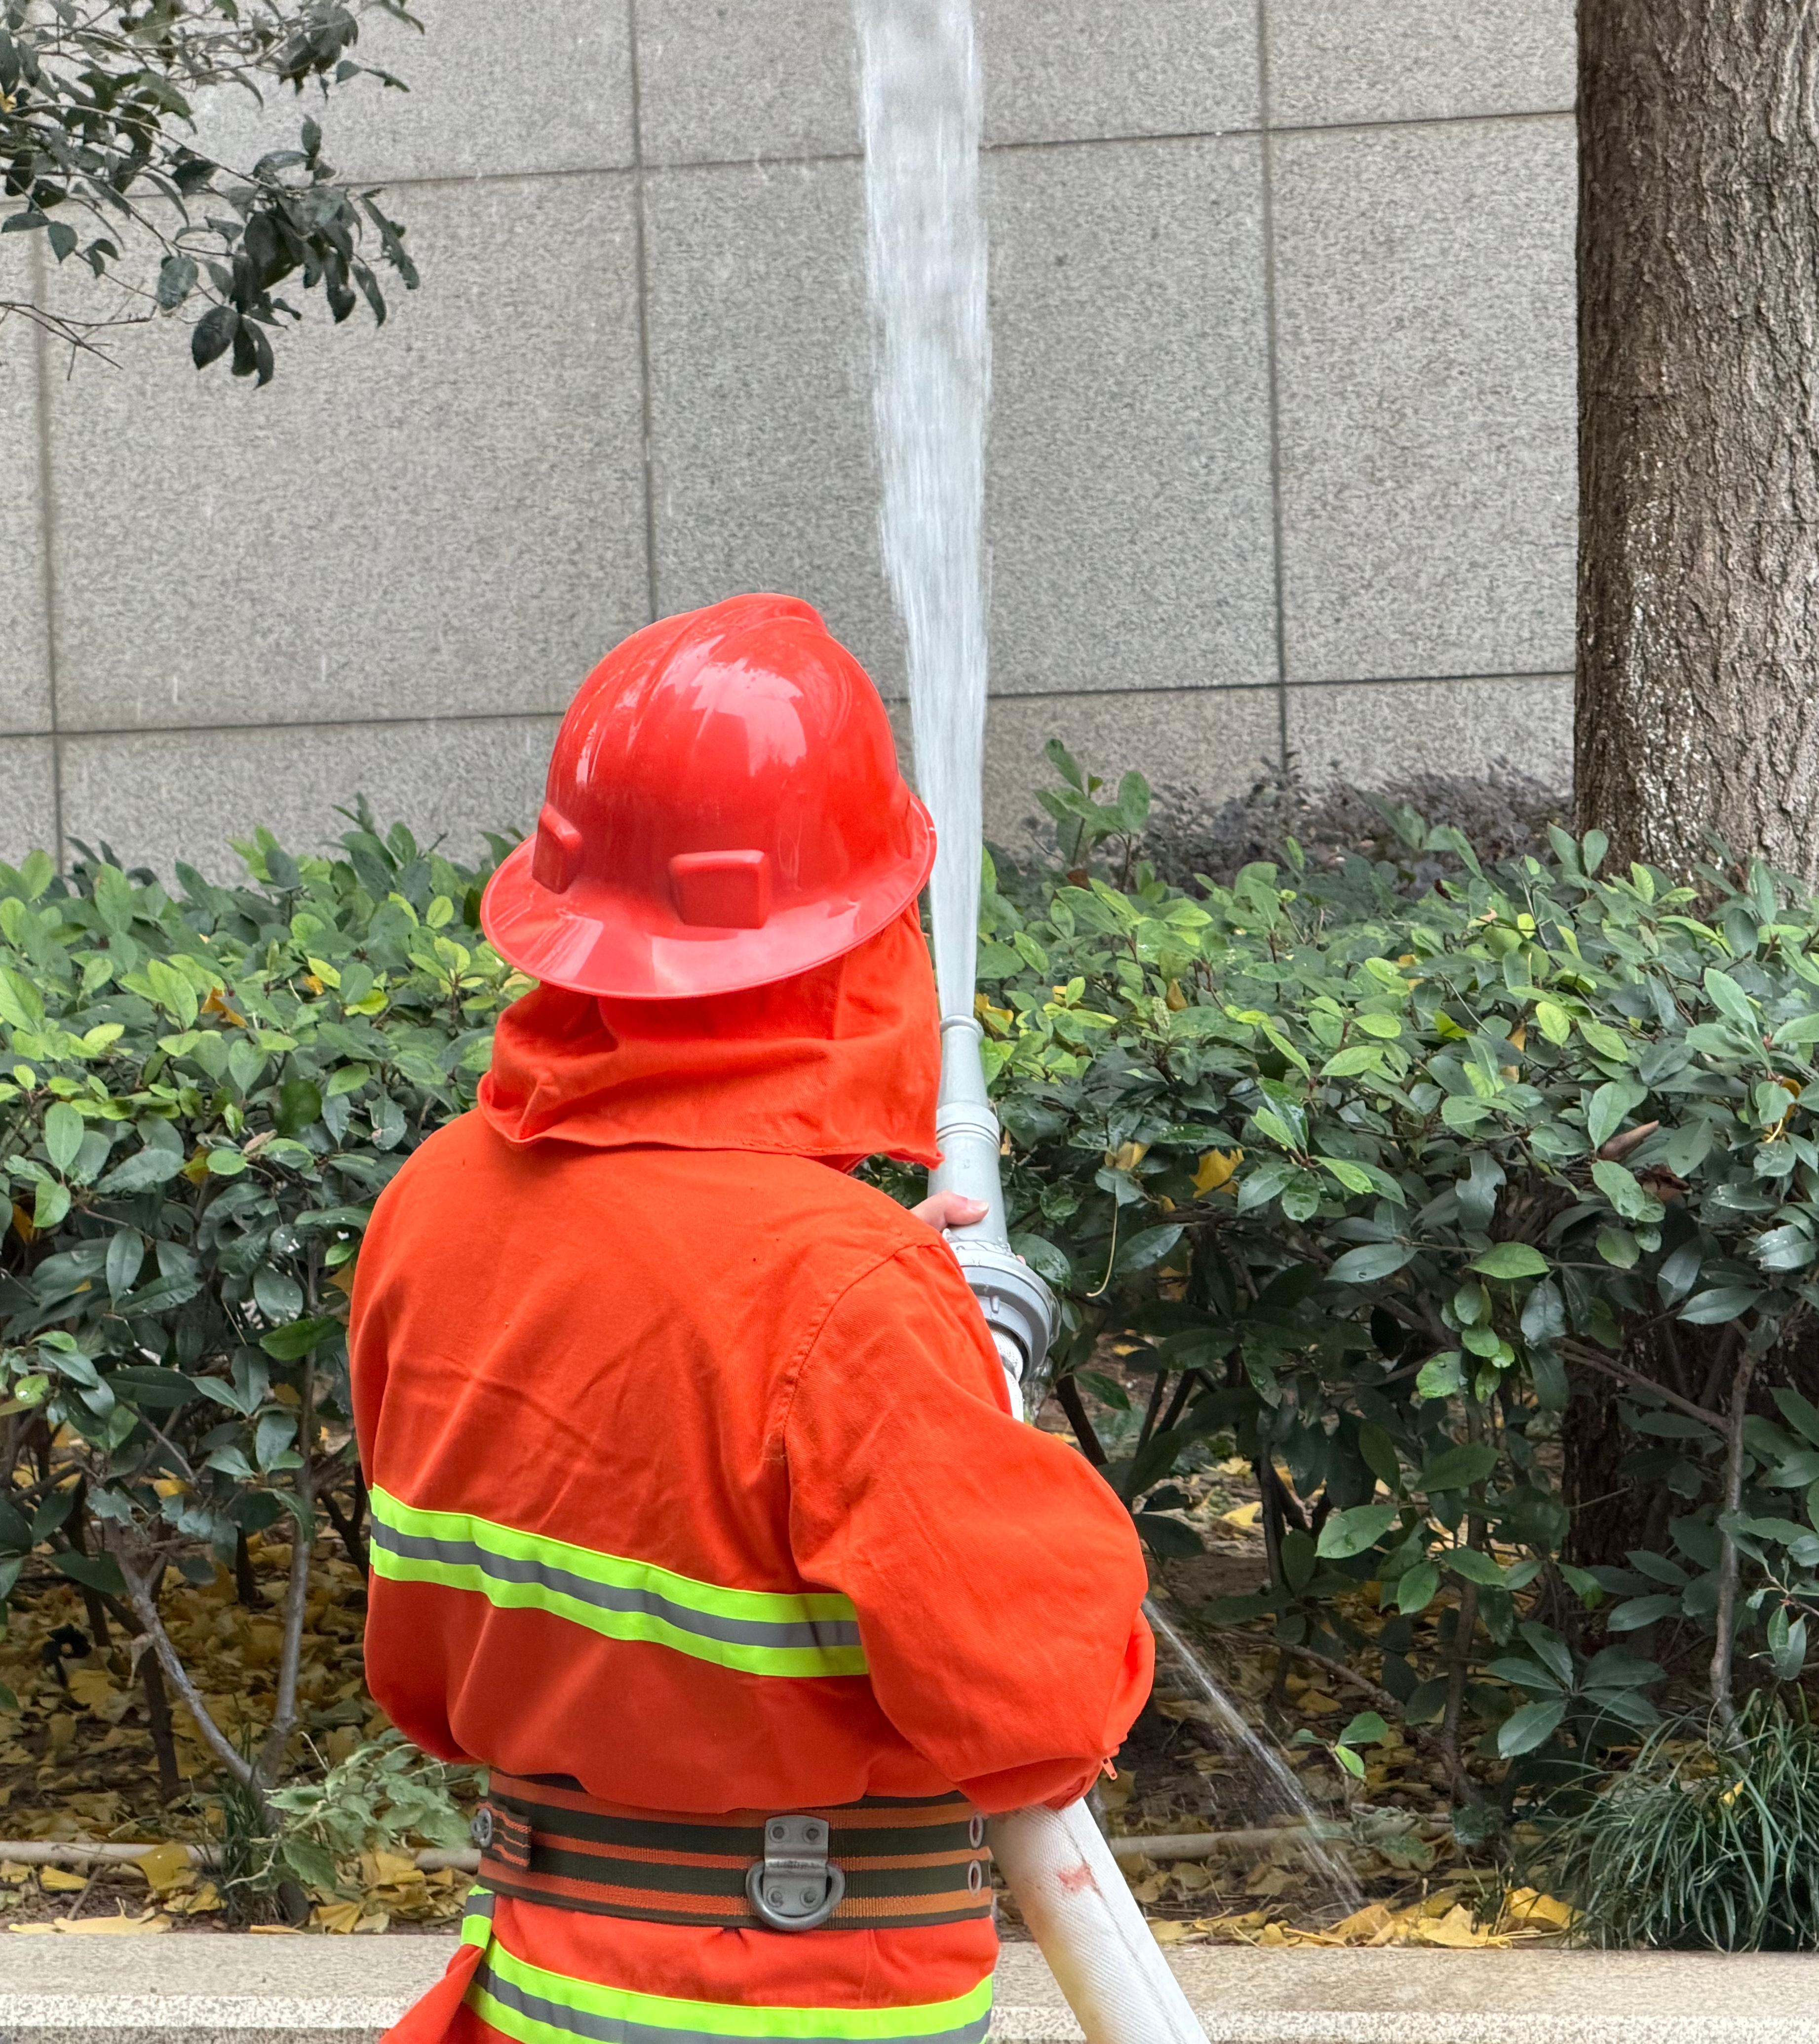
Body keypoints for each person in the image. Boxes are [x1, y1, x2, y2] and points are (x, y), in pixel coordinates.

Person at [350, 594, 1153, 2044]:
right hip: (799, 1994)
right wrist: (922, 1341)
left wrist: (863, 1297)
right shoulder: (837, 1291)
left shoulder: (433, 1207)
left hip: (536, 1982)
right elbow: (1038, 1705)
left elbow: (453, 1633)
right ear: (852, 938)